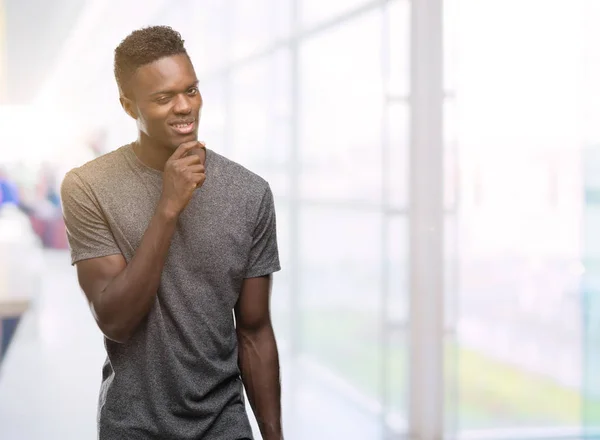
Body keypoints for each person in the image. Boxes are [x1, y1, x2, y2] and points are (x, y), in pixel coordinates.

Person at [60, 26, 282, 440]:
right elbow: (115, 320)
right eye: (164, 98)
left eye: (191, 90)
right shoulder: (88, 187)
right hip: (132, 427)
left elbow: (254, 330)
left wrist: (274, 435)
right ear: (129, 107)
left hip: (224, 426)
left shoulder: (250, 193)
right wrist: (168, 206)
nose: (184, 107)